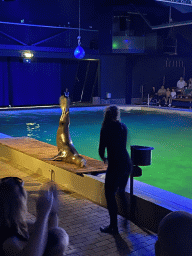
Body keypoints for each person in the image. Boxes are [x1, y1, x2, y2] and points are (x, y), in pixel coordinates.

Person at [0, 177, 69, 256]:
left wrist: (52, 211)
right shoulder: (9, 241)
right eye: (23, 198)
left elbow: (48, 235)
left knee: (59, 233)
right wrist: (43, 214)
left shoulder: (22, 227)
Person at [99, 106, 132, 235]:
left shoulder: (105, 128)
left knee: (109, 194)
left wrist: (104, 158)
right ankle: (126, 219)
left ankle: (113, 226)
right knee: (121, 191)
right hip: (127, 164)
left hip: (115, 165)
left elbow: (101, 149)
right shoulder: (123, 127)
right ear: (117, 115)